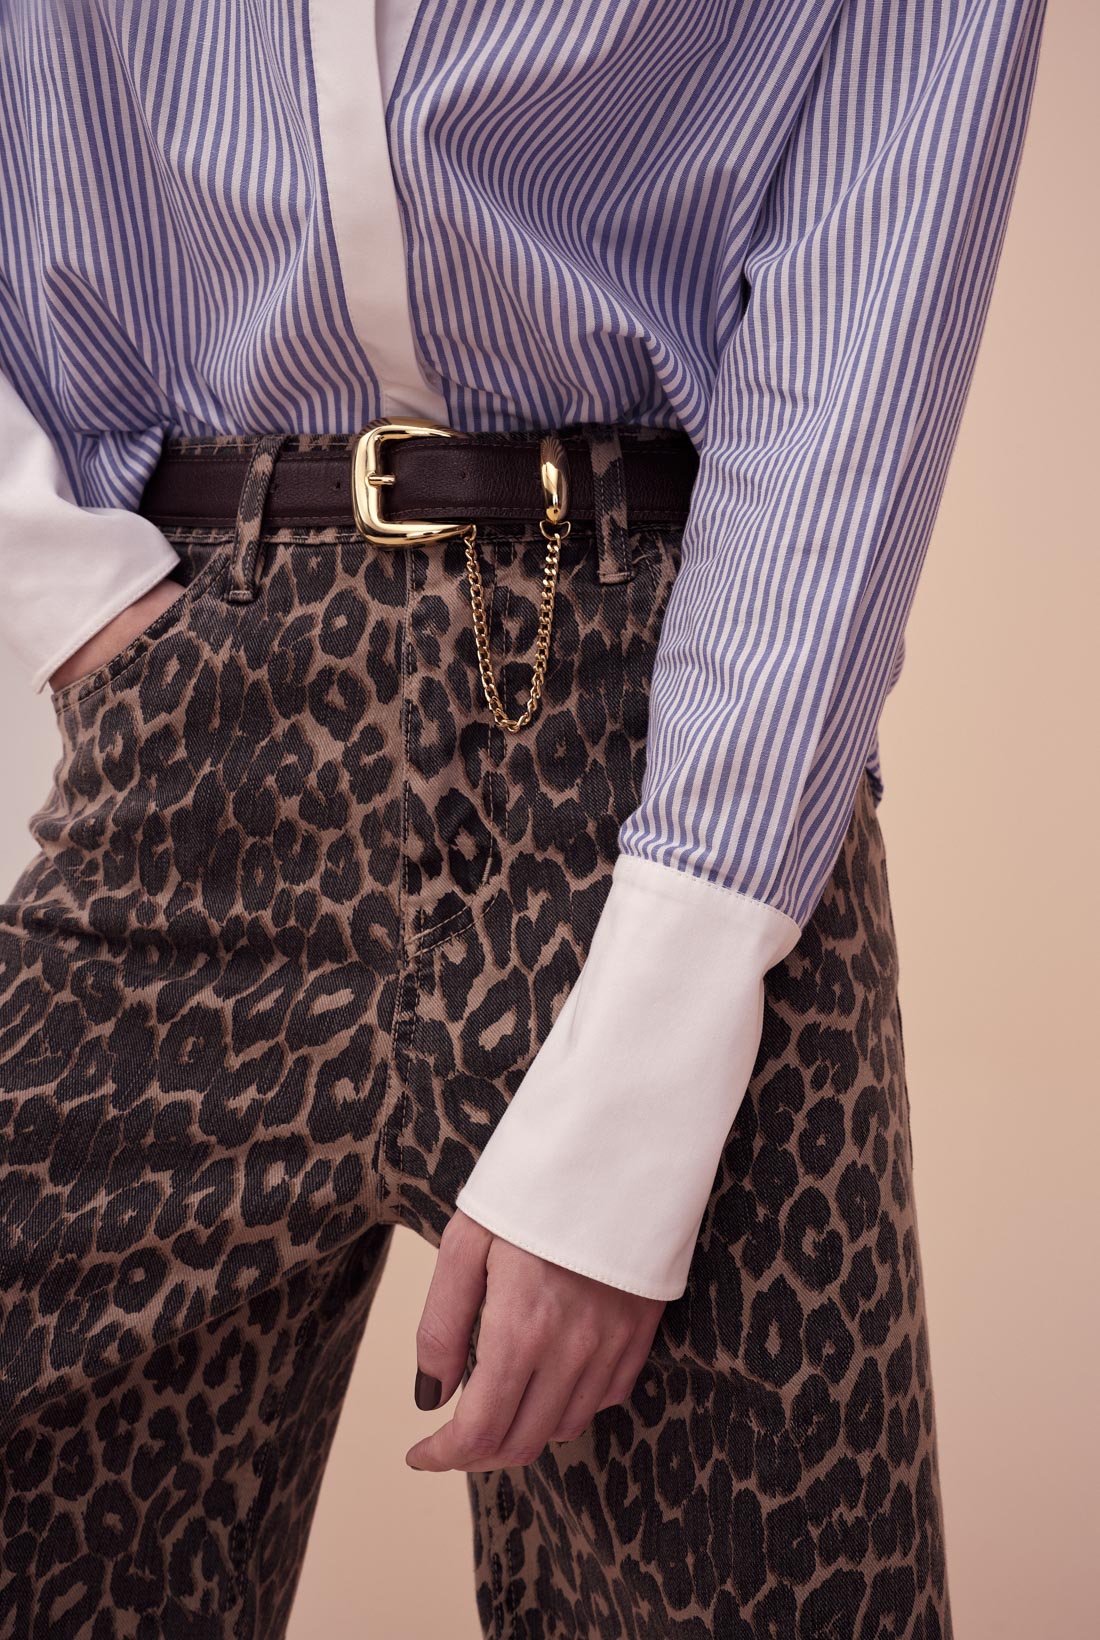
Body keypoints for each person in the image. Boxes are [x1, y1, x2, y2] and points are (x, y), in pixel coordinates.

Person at [0, 1, 1045, 1635]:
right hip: (193, 713)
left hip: (664, 746)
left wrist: (665, 1029)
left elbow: (863, 347)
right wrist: (59, 587)